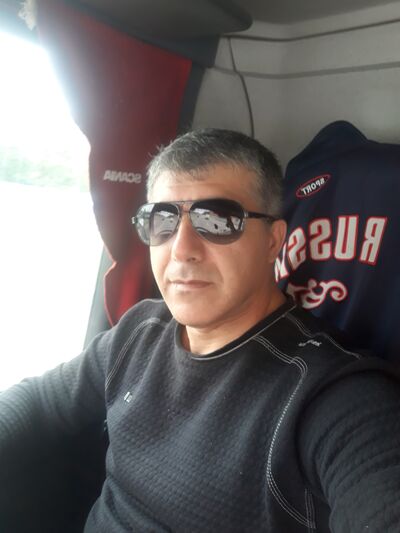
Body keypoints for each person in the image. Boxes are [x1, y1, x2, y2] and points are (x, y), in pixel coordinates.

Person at [1, 128, 400, 532]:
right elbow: (39, 401)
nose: (181, 249)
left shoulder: (329, 397)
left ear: (273, 241)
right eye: (162, 220)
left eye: (217, 220)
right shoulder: (140, 330)